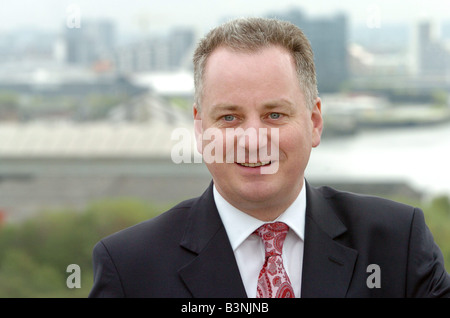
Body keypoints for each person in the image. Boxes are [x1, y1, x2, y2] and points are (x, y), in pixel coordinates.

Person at [89, 17, 450, 298]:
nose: (252, 140)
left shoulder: (397, 245)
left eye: (274, 115)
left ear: (314, 122)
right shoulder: (130, 268)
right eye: (229, 117)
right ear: (200, 130)